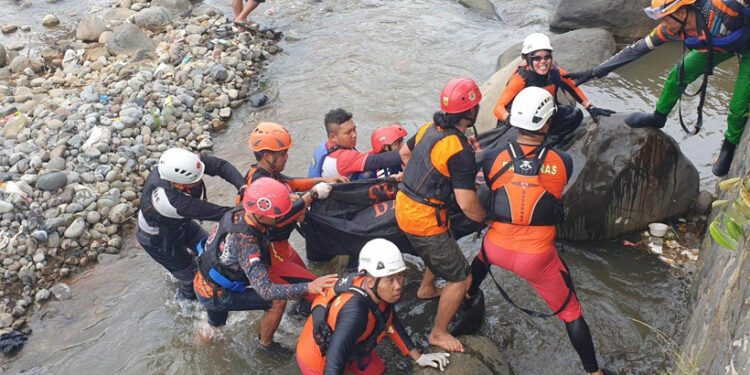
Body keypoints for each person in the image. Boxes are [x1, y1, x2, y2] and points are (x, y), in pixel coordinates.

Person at [469, 87, 608, 375]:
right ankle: (593, 372)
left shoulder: (492, 157)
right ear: (546, 123)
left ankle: (469, 294)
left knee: (482, 258)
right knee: (571, 312)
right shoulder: (562, 162)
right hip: (537, 258)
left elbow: (491, 191)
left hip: (496, 247)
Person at [564, 0, 750, 176]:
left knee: (738, 106)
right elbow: (636, 50)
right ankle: (659, 116)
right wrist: (595, 72)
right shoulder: (671, 30)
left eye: (667, 17)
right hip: (718, 46)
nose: (664, 23)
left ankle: (730, 144)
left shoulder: (722, 8)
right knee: (678, 75)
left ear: (683, 12)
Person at [394, 77, 487, 352]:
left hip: (405, 204)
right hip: (424, 219)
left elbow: (404, 151)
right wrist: (488, 220)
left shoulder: (427, 128)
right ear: (471, 112)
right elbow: (467, 203)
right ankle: (438, 332)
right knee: (462, 277)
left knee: (446, 245)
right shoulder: (459, 150)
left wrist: (415, 176)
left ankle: (426, 289)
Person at [193, 177, 338, 350]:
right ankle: (265, 345)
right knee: (276, 302)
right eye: (277, 216)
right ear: (261, 215)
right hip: (216, 293)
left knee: (214, 327)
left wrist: (311, 195)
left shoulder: (244, 210)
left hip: (205, 282)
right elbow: (266, 290)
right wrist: (310, 286)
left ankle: (197, 346)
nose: (281, 218)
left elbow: (282, 214)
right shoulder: (246, 244)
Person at [296, 239, 451, 375]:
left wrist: (419, 357)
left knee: (379, 371)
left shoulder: (377, 292)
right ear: (370, 281)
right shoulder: (354, 313)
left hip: (355, 345)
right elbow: (335, 357)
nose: (398, 286)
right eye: (390, 280)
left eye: (400, 276)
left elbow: (389, 320)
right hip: (319, 357)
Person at [245, 122, 346, 316]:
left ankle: (300, 313)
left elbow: (290, 183)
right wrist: (312, 195)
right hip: (272, 258)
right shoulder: (258, 184)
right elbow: (279, 217)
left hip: (283, 249)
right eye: (282, 153)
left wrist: (322, 181)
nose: (287, 157)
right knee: (321, 291)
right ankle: (274, 339)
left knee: (309, 285)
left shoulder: (268, 175)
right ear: (267, 156)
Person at [136, 148, 246, 300]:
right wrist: (250, 207)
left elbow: (221, 166)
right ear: (179, 184)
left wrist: (243, 187)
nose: (200, 179)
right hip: (158, 240)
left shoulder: (185, 165)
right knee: (191, 278)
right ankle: (186, 307)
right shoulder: (175, 203)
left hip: (180, 224)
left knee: (213, 253)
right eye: (196, 180)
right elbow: (223, 214)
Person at [493, 33, 615, 146]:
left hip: (545, 116)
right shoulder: (520, 80)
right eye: (537, 58)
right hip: (521, 123)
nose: (543, 62)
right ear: (527, 59)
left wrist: (590, 107)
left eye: (547, 57)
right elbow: (498, 108)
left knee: (575, 114)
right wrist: (511, 120)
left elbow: (573, 86)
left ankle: (549, 143)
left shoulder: (555, 72)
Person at [308, 109, 404, 180]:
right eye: (348, 132)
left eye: (354, 129)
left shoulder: (326, 147)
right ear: (333, 137)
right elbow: (378, 161)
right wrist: (409, 150)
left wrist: (384, 141)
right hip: (336, 203)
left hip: (327, 194)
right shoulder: (343, 158)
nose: (354, 135)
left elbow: (361, 158)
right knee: (368, 173)